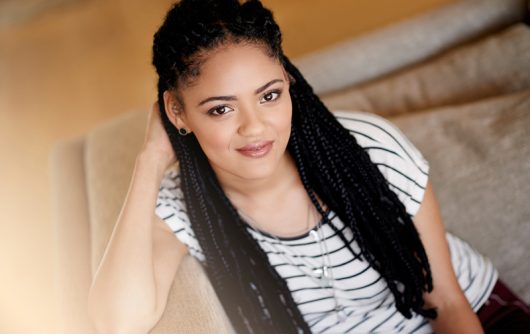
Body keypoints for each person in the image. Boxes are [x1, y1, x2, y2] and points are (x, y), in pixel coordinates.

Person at [87, 0, 530, 333]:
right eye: (221, 109)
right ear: (177, 113)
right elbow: (115, 325)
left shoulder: (371, 152)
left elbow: (449, 304)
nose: (255, 127)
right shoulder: (180, 207)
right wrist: (149, 161)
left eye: (269, 95)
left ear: (289, 82)